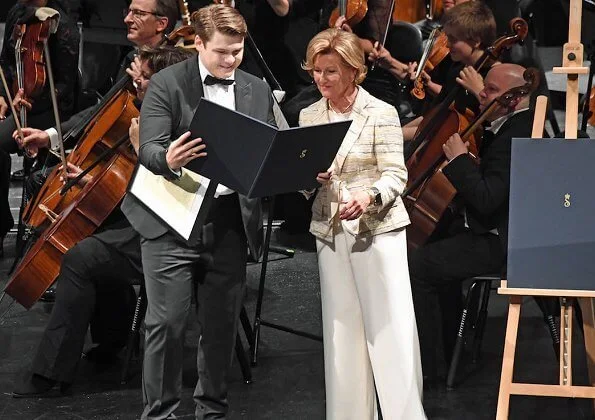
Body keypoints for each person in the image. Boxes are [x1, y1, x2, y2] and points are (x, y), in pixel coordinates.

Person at [11, 45, 195, 398]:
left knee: (82, 256)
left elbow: (174, 195)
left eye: (143, 79)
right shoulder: (153, 115)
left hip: (171, 233)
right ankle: (113, 340)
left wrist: (144, 152)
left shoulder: (184, 127)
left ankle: (50, 374)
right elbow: (136, 191)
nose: (135, 83)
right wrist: (91, 184)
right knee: (97, 238)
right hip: (147, 220)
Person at [120, 4, 273, 419]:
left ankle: (212, 411)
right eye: (222, 52)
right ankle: (161, 414)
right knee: (167, 324)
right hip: (172, 218)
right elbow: (150, 147)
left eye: (237, 52)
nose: (230, 61)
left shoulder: (256, 89)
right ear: (199, 43)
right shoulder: (168, 83)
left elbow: (274, 143)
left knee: (220, 326)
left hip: (227, 221)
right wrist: (167, 158)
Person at [299, 28, 425, 419]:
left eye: (331, 71)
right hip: (330, 231)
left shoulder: (380, 113)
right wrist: (306, 179)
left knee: (389, 330)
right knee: (342, 335)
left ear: (354, 70)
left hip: (376, 232)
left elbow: (395, 175)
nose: (321, 79)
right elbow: (301, 176)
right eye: (316, 71)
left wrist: (368, 196)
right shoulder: (310, 115)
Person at [408, 63, 535, 387]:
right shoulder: (512, 125)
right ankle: (451, 349)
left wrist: (461, 159)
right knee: (434, 249)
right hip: (492, 230)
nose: (482, 95)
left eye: (491, 90)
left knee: (419, 265)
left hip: (503, 241)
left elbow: (487, 199)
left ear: (514, 98)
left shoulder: (517, 134)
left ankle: (431, 366)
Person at [0, 0, 79, 254]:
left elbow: (66, 87)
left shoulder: (63, 25)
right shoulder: (17, 12)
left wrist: (32, 101)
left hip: (50, 109)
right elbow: (5, 64)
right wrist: (3, 95)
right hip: (17, 100)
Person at [402, 1, 497, 141]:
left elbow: (501, 117)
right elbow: (434, 115)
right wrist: (400, 132)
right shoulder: (457, 69)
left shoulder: (495, 75)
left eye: (453, 39)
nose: (447, 44)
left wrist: (478, 91)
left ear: (476, 41)